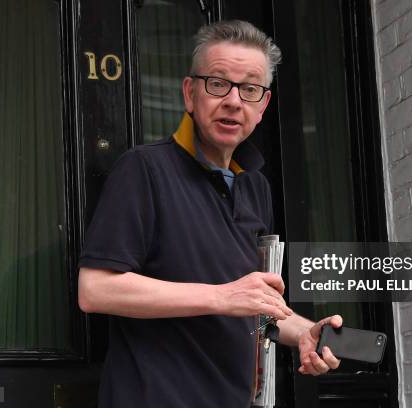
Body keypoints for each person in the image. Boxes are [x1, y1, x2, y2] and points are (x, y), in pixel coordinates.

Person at [78, 20, 342, 408]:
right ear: (190, 93)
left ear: (263, 105)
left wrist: (305, 332)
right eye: (218, 83)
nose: (234, 101)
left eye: (250, 89)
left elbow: (254, 305)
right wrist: (221, 297)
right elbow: (95, 290)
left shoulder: (256, 187)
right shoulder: (143, 170)